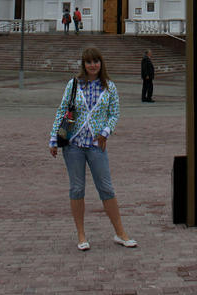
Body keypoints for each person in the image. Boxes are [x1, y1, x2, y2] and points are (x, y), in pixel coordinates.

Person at [49, 46, 136, 251]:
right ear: (84, 64)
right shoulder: (74, 84)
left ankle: (120, 232)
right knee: (77, 188)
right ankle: (81, 235)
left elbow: (114, 114)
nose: (93, 65)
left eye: (96, 61)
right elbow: (62, 111)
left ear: (101, 63)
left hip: (97, 145)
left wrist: (106, 131)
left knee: (106, 187)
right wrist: (54, 139)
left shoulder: (109, 87)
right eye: (89, 62)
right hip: (73, 145)